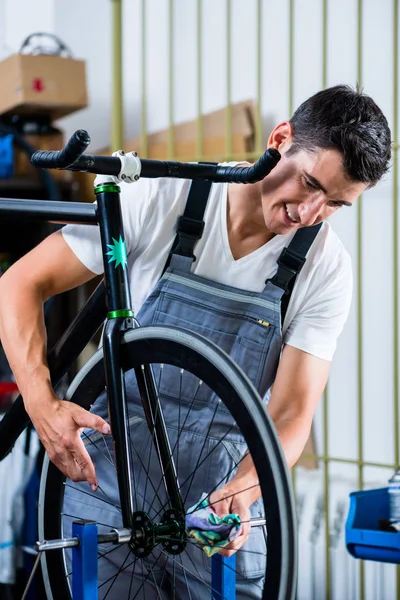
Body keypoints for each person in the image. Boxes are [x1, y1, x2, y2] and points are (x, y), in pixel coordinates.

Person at [0, 84, 391, 597]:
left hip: (221, 495)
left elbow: (292, 413)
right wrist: (40, 402)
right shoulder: (162, 196)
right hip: (111, 475)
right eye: (309, 183)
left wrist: (249, 486)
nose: (310, 212)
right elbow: (20, 283)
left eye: (335, 203)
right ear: (280, 138)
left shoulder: (326, 268)